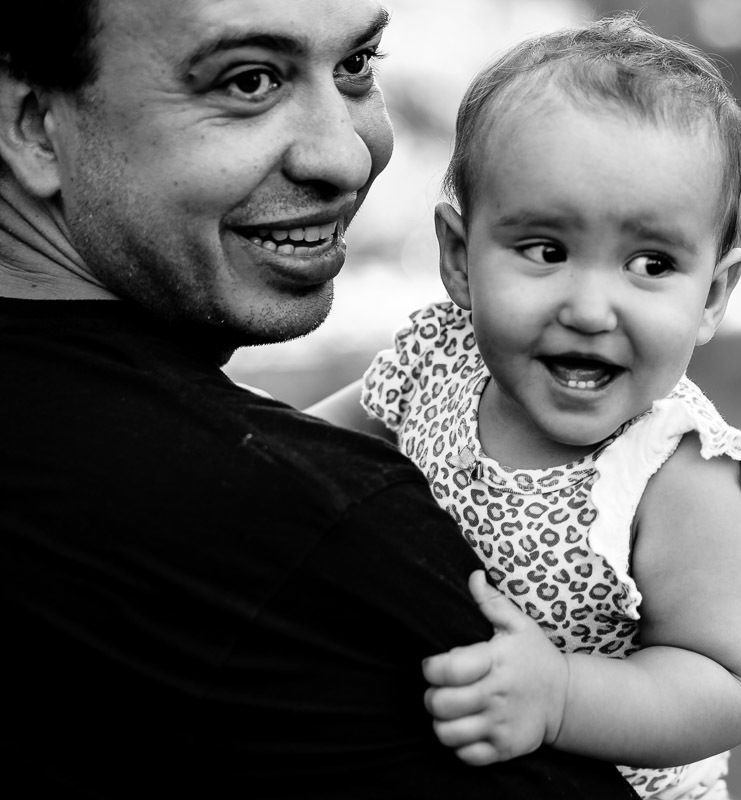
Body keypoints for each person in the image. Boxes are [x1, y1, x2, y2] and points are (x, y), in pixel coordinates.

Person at [0, 1, 642, 798]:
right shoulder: (289, 522)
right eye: (249, 80)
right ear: (32, 125)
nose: (345, 156)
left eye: (356, 67)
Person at [310, 15, 741, 799]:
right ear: (459, 258)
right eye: (546, 250)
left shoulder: (675, 471)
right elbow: (304, 455)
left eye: (651, 263)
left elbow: (725, 679)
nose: (591, 307)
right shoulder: (437, 360)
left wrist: (562, 695)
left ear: (712, 295)